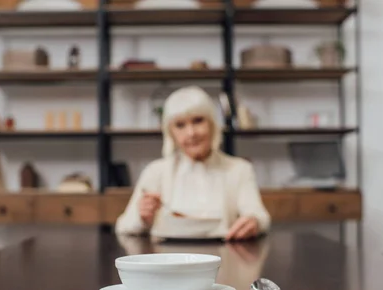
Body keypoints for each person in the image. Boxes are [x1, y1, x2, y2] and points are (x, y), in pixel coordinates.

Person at [115, 86, 270, 241]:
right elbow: (123, 226)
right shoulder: (155, 172)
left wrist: (254, 221)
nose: (191, 133)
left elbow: (259, 215)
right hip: (168, 259)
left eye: (198, 121)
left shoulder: (239, 169)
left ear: (212, 124)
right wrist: (142, 217)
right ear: (170, 133)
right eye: (180, 125)